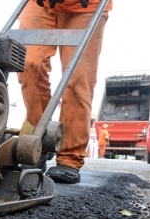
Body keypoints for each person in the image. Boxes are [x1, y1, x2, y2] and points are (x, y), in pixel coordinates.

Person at [18, 0, 113, 184]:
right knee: (29, 64)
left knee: (78, 78)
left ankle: (70, 157)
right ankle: (37, 142)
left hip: (85, 6)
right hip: (40, 4)